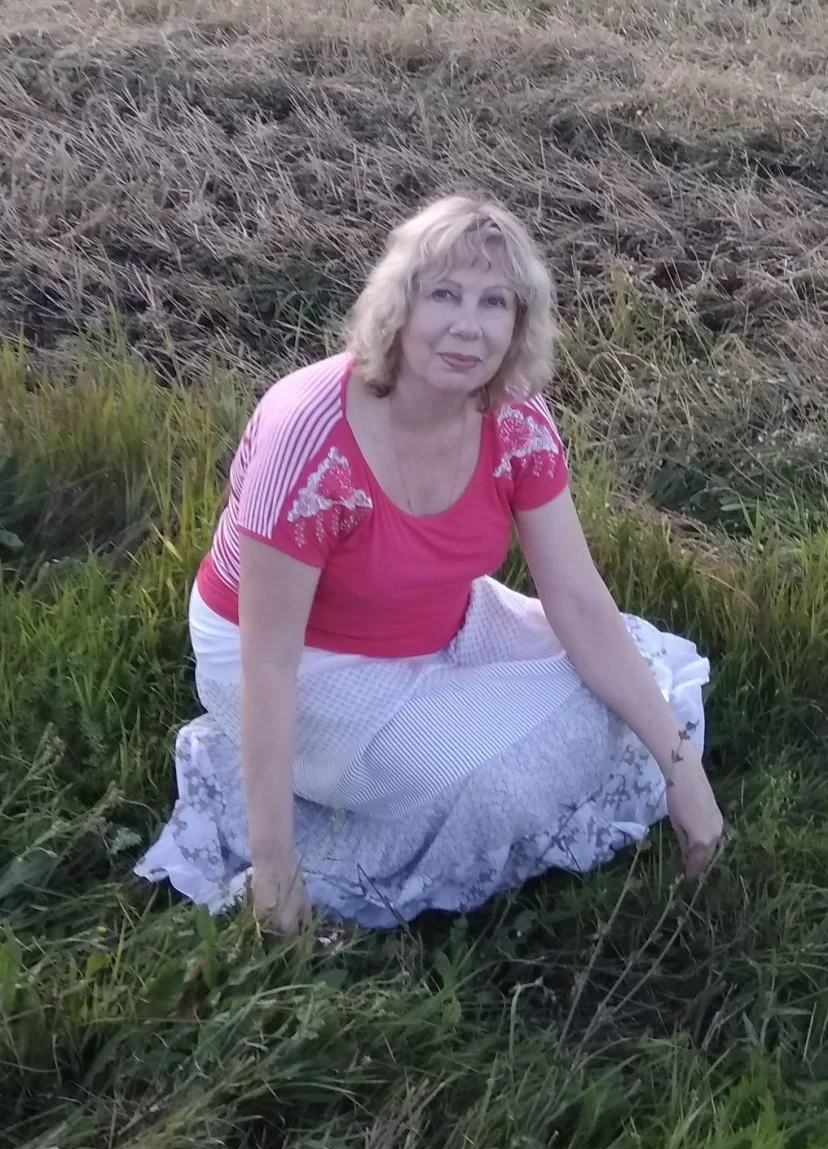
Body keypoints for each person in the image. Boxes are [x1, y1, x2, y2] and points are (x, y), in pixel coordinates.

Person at [135, 196, 724, 933]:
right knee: (503, 778)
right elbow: (270, 658)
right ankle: (273, 811)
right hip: (306, 656)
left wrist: (684, 775)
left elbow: (578, 600)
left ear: (519, 324)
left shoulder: (516, 419)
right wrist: (274, 867)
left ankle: (420, 747)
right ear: (399, 306)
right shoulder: (311, 436)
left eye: (494, 302)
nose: (468, 327)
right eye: (444, 294)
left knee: (644, 669)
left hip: (437, 613)